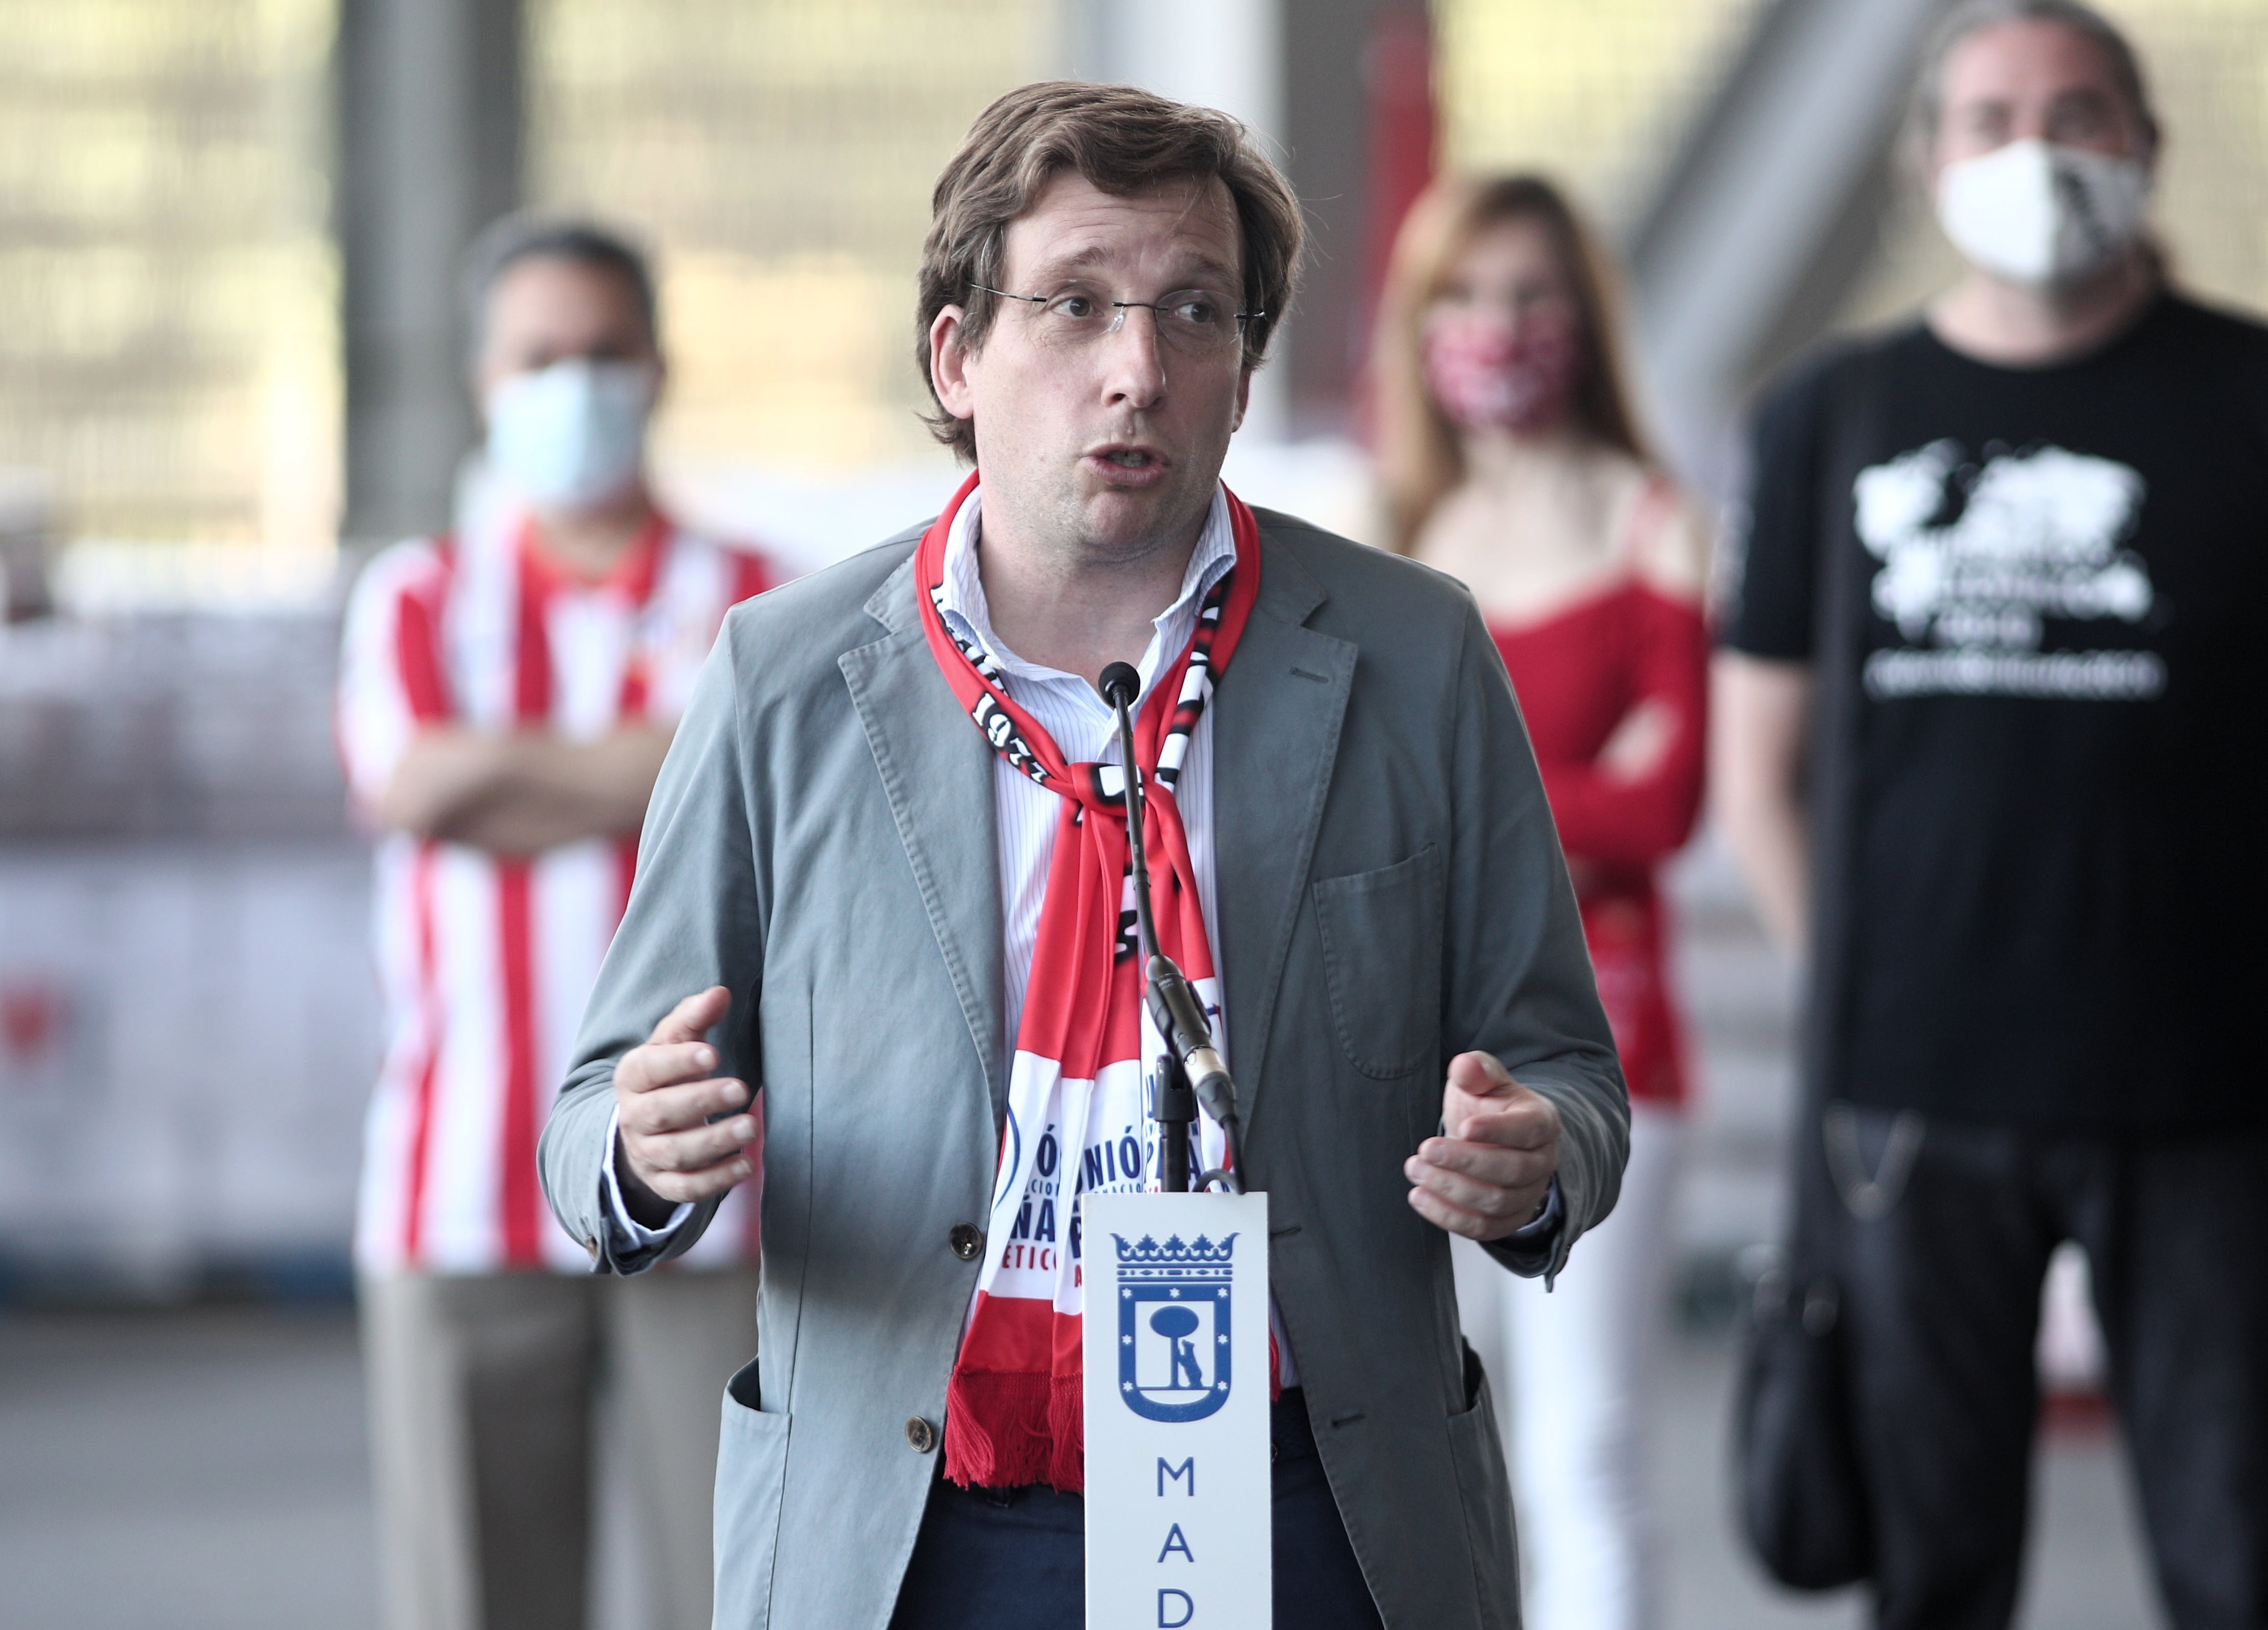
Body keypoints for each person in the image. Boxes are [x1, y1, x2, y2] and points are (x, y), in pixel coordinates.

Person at [537, 82, 1630, 1630]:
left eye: (1194, 311)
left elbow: (1568, 1075)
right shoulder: (783, 678)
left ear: (1244, 372)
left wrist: (1534, 1164)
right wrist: (644, 1159)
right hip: (916, 1528)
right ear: (958, 353)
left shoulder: (1411, 654)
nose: (1137, 369)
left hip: (1318, 1503)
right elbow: (587, 1124)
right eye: (1073, 306)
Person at [1714, 5, 2268, 1627]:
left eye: (2079, 112)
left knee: (2237, 1553)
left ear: (2144, 144)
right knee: (1932, 1570)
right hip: (1914, 1101)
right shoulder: (1831, 415)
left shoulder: (2249, 398)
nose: (2039, 150)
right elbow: (1759, 772)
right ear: (1928, 163)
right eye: (1993, 117)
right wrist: (1861, 1003)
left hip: (2211, 1091)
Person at [337, 216, 780, 1630]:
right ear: (483, 377)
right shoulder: (417, 598)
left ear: (657, 367)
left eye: (601, 353)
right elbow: (417, 784)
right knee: (479, 1598)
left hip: (720, 1190)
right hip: (458, 1188)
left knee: (743, 1588)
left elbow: (759, 816)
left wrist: (508, 773)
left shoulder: (763, 605)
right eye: (541, 357)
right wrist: (665, 766)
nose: (573, 383)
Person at [1373, 174, 1710, 1630]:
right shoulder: (1394, 534)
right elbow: (1351, 814)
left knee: (1583, 1451)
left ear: (1582, 318)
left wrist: (1472, 817)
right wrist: (1564, 794)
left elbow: (1668, 807)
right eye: (1463, 297)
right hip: (1409, 1060)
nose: (1496, 328)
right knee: (1438, 1450)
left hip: (1611, 1045)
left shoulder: (1656, 525)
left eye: (1529, 294)